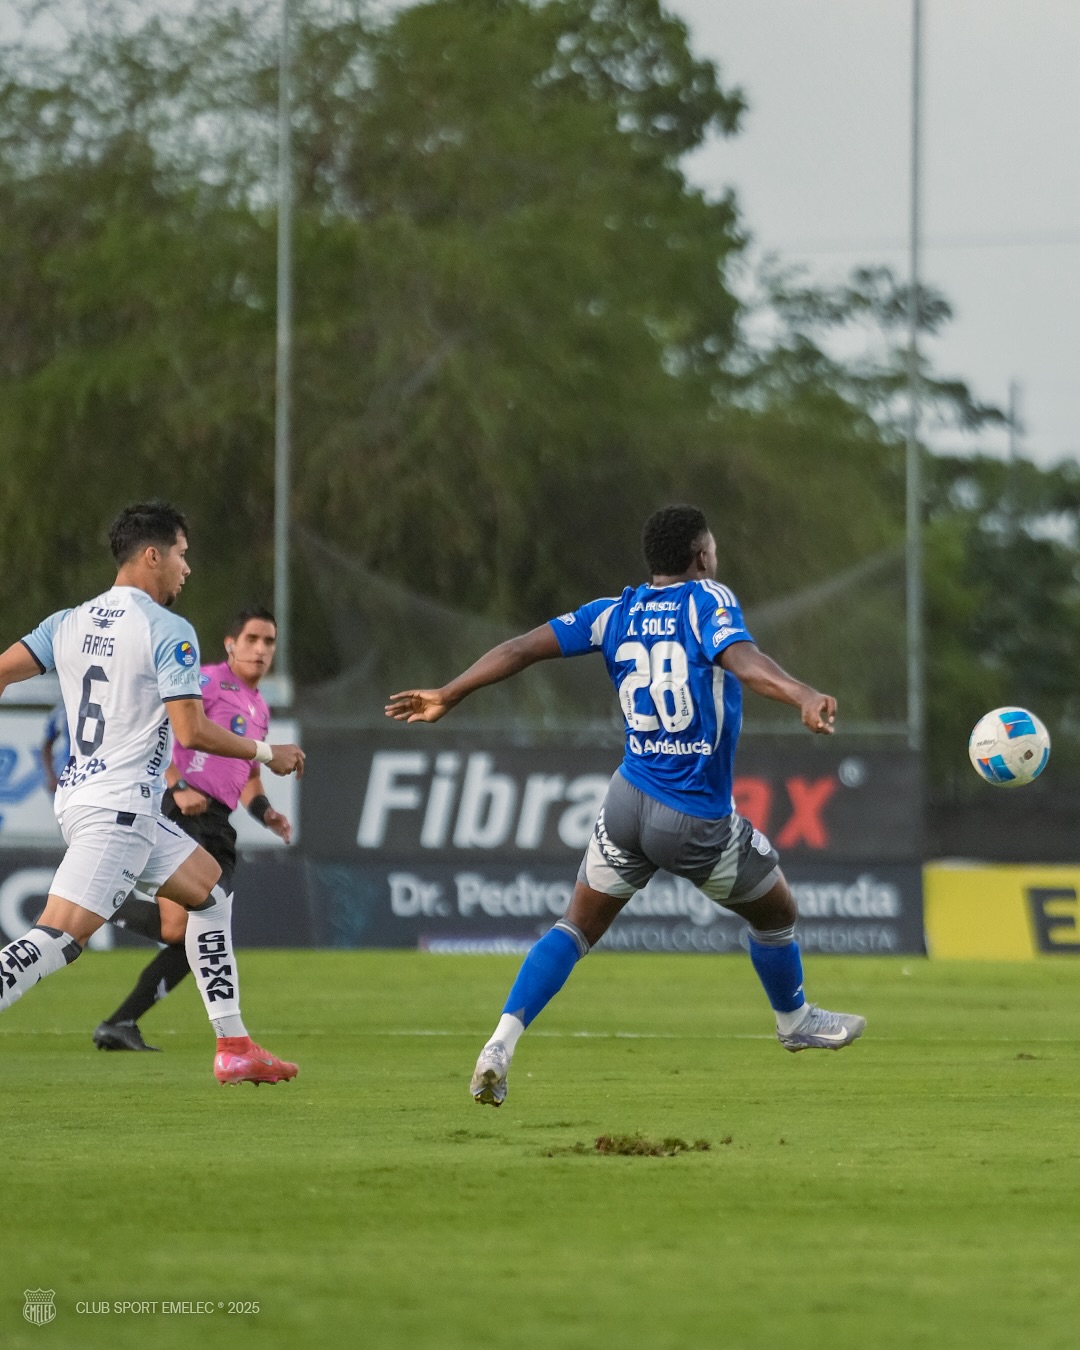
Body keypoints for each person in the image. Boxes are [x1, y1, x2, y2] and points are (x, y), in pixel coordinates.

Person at [385, 503, 865, 1107]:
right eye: (713, 546)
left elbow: (522, 648)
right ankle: (794, 1021)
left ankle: (500, 1044)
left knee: (575, 926)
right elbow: (743, 661)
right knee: (776, 913)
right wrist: (801, 693)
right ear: (702, 556)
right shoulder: (708, 601)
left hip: (626, 802)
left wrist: (450, 692)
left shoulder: (615, 611)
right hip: (694, 819)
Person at [0, 500, 305, 1086]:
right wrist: (269, 753)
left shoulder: (66, 622)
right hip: (119, 810)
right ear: (152, 555)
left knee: (210, 892)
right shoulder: (167, 629)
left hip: (100, 802)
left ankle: (234, 1046)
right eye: (182, 555)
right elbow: (191, 731)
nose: (187, 568)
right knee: (58, 938)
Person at [92, 605, 293, 1052]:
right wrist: (177, 784)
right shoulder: (206, 681)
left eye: (269, 641)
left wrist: (266, 813)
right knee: (189, 928)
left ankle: (121, 1021)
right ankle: (99, 902)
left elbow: (249, 774)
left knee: (193, 935)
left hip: (218, 823)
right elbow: (156, 727)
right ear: (230, 644)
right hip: (182, 810)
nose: (261, 649)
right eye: (252, 639)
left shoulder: (259, 707)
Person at [39, 699, 69, 795]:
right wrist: (51, 776)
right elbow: (47, 745)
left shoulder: (104, 704)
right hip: (69, 774)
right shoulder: (62, 711)